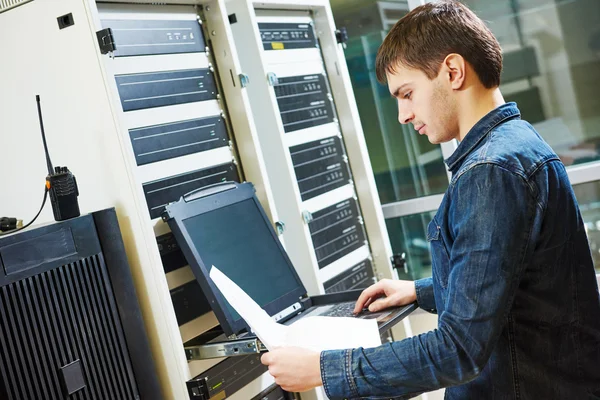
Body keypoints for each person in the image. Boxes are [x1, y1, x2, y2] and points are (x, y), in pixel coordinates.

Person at [261, 1, 600, 399]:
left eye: (407, 93)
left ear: (453, 72)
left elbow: (459, 350)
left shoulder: (490, 171)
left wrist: (323, 367)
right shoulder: (515, 143)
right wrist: (424, 289)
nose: (403, 115)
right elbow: (515, 275)